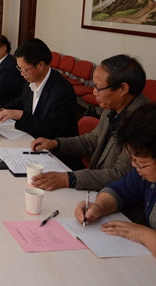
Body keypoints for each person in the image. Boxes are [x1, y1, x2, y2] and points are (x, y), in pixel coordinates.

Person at [74, 101, 156, 277]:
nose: (134, 166)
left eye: (142, 163)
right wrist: (99, 206)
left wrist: (144, 234)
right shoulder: (148, 176)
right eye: (132, 158)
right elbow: (119, 191)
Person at [30, 54, 149, 191]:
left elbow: (120, 175)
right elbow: (92, 140)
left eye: (99, 88)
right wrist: (55, 144)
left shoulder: (144, 123)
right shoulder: (114, 107)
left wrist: (68, 179)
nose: (94, 92)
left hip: (118, 197)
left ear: (123, 89)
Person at [0, 38, 78, 139]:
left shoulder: (62, 91)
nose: (22, 74)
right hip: (31, 137)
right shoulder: (30, 80)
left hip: (53, 146)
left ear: (40, 65)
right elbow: (22, 102)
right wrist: (1, 108)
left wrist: (21, 115)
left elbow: (52, 129)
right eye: (19, 69)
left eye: (24, 69)